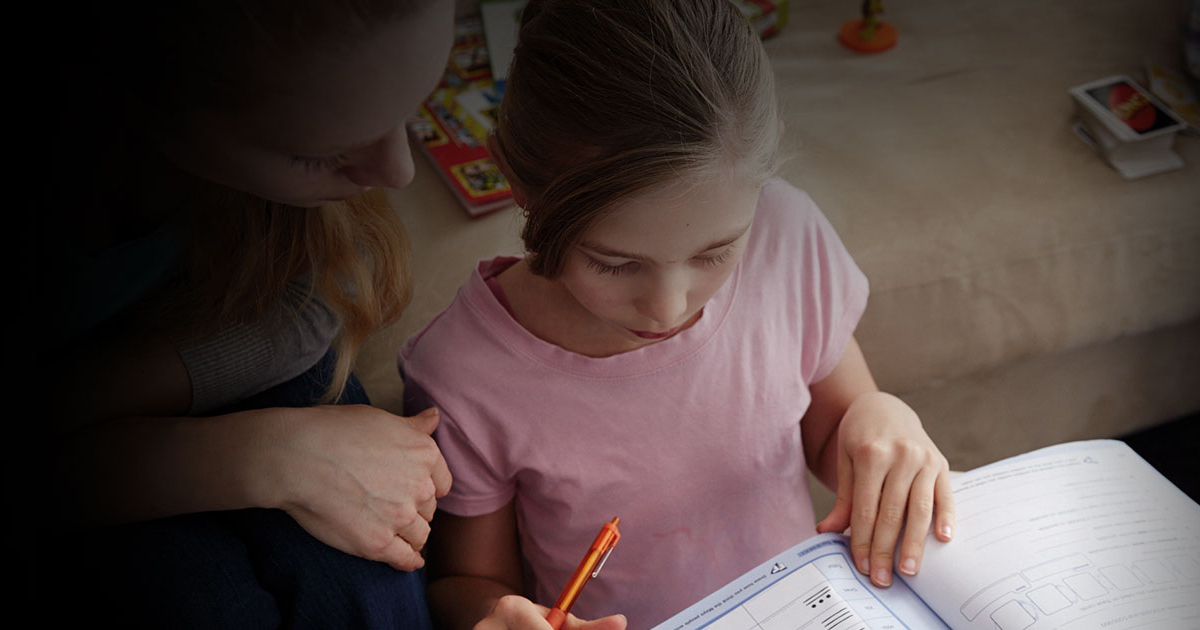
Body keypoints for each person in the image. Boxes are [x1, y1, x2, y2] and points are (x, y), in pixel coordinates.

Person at [397, 1, 957, 629]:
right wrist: (495, 615)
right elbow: (470, 581)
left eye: (716, 253)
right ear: (520, 187)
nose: (668, 308)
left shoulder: (785, 239)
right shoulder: (465, 373)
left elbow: (834, 433)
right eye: (613, 263)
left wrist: (883, 415)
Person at [26, 0, 456, 627]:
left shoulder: (287, 212)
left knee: (371, 583)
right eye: (320, 154)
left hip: (217, 319)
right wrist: (261, 458)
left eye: (410, 112)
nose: (398, 172)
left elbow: (333, 279)